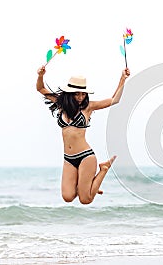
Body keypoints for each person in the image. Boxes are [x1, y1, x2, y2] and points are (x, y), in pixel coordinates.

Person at [36, 65, 130, 204]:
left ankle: (103, 169)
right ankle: (87, 186)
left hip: (85, 156)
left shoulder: (88, 107)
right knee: (67, 197)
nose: (80, 97)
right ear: (69, 93)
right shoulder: (61, 104)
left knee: (85, 200)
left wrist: (122, 79)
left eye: (83, 93)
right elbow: (41, 89)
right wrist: (40, 75)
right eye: (77, 93)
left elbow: (114, 100)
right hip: (68, 158)